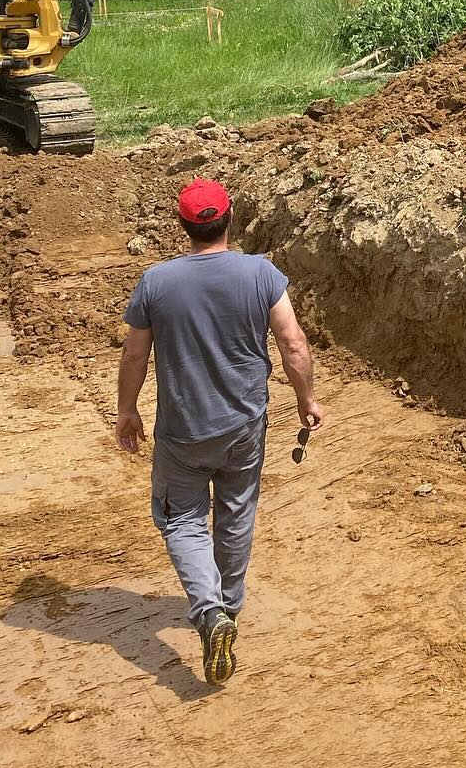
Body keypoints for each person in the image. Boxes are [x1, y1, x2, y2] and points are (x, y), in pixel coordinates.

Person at [115, 176, 323, 684]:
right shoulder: (261, 273)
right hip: (244, 423)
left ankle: (210, 613)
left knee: (183, 519)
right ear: (230, 219)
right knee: (235, 510)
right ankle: (228, 605)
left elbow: (136, 352)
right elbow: (292, 343)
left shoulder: (156, 281)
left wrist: (127, 409)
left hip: (183, 430)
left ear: (183, 226)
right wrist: (307, 399)